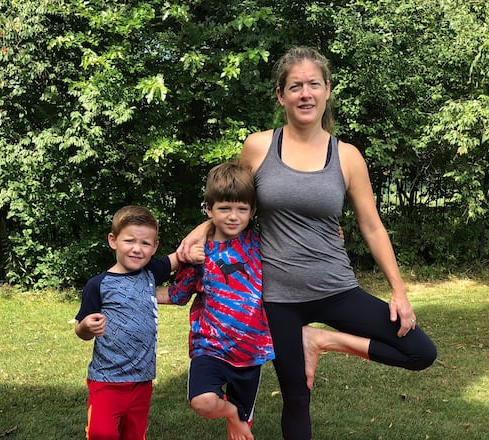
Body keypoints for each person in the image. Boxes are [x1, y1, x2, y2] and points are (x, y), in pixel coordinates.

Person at [177, 46, 437, 439]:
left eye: (313, 84)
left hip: (336, 288)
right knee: (296, 399)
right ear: (281, 95)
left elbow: (372, 227)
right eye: (295, 86)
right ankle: (307, 339)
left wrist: (398, 291)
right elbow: (232, 205)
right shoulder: (259, 146)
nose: (305, 93)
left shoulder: (347, 156)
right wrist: (200, 231)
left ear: (327, 90)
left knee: (420, 351)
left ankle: (322, 339)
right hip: (278, 299)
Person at [167, 162, 275, 440]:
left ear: (252, 211)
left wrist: (326, 237)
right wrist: (131, 290)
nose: (233, 216)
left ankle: (238, 419)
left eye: (242, 209)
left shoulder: (261, 244)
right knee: (203, 401)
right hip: (210, 347)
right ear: (209, 210)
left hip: (251, 351)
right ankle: (231, 413)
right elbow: (178, 294)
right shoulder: (198, 254)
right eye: (224, 208)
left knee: (241, 433)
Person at [74, 205, 182, 440]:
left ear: (154, 246)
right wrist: (86, 327)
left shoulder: (151, 273)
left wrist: (208, 234)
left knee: (134, 435)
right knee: (102, 434)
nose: (137, 249)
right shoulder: (98, 284)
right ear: (113, 240)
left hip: (142, 380)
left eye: (145, 243)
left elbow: (180, 255)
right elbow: (81, 330)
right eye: (129, 241)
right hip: (106, 381)